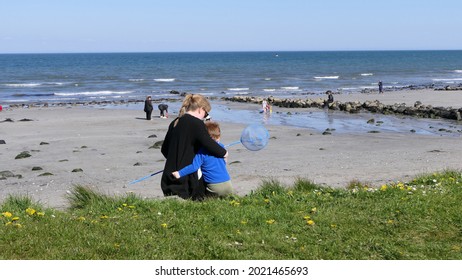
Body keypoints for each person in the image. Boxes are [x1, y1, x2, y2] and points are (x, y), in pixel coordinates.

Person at [160, 94, 228, 200]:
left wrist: (177, 158)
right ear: (201, 109)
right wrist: (224, 153)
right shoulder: (196, 124)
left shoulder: (175, 122)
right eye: (206, 113)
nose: (205, 117)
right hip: (186, 181)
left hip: (168, 178)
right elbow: (210, 145)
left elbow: (164, 150)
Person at [172, 121, 232, 197]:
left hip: (214, 185)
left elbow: (194, 166)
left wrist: (179, 173)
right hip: (228, 183)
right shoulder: (222, 147)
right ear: (219, 136)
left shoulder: (202, 152)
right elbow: (225, 161)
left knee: (206, 199)